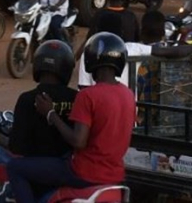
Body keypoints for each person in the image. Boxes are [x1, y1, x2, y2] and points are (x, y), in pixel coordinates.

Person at [7, 32, 136, 203]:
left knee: (15, 167)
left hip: (85, 172)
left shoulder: (88, 95)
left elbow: (78, 141)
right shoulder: (127, 95)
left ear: (90, 59)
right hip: (115, 173)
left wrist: (50, 114)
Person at [0, 41, 79, 203]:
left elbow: (17, 147)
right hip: (70, 169)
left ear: (38, 65)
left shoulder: (27, 99)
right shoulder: (76, 98)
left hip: (38, 174)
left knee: (13, 169)